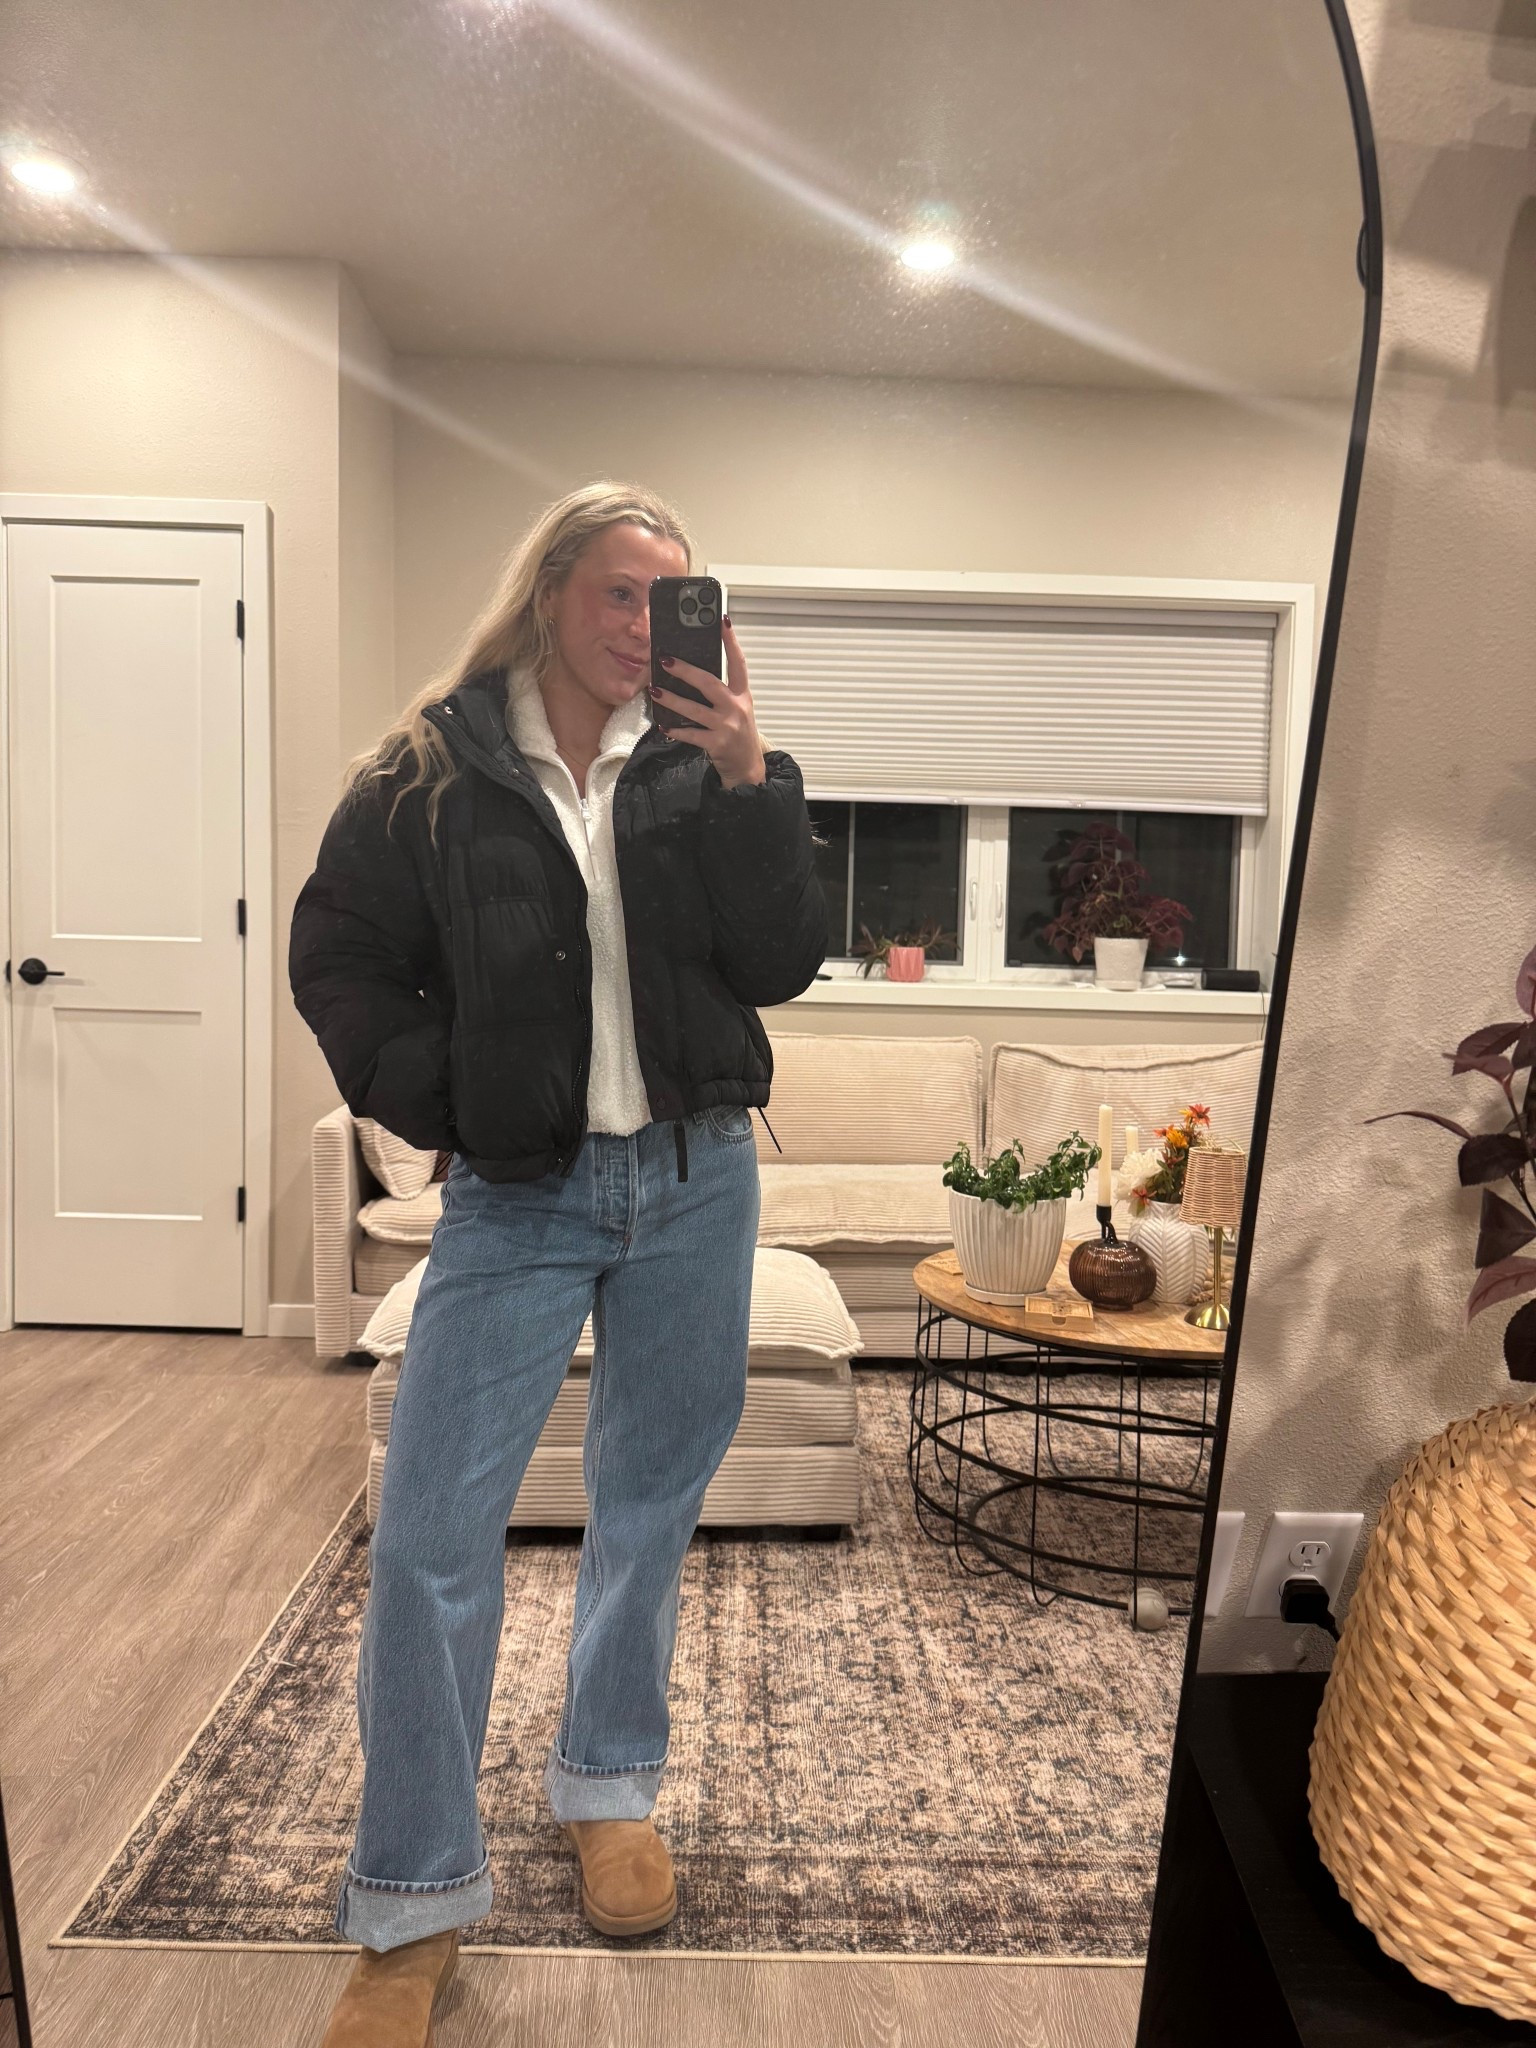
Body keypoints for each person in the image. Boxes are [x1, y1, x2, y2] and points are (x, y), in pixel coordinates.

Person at [289, 480, 826, 2047]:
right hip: (517, 1199)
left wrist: (753, 783)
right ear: (548, 595)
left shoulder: (703, 768)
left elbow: (779, 961)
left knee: (648, 1507)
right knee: (431, 1540)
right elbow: (340, 964)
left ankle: (607, 1788)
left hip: (695, 1180)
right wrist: (452, 1102)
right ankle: (411, 1902)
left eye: (673, 598)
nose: (647, 626)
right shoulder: (428, 770)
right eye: (619, 592)